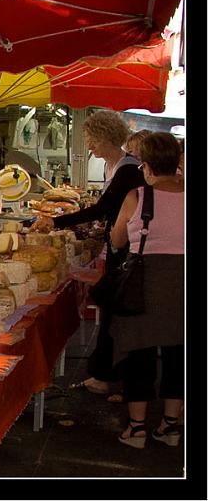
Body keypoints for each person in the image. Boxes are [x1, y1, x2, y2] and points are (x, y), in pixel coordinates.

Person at [33, 110, 144, 399]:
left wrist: (55, 222)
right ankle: (105, 374)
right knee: (110, 311)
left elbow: (103, 209)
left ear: (106, 137)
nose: (89, 146)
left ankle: (109, 377)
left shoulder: (128, 168)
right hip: (118, 244)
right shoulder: (114, 166)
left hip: (128, 248)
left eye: (91, 139)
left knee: (114, 312)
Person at [109, 132, 184, 449]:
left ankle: (136, 430)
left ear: (147, 167)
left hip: (145, 286)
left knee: (139, 354)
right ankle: (171, 426)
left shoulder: (137, 197)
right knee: (178, 354)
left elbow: (117, 242)